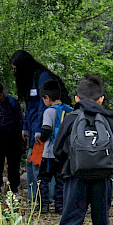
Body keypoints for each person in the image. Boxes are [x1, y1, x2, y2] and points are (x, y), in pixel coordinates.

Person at [53, 75, 113, 225]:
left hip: (75, 176)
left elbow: (57, 150)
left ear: (77, 99)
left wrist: (71, 164)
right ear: (101, 99)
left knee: (71, 216)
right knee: (101, 217)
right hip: (103, 177)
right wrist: (103, 164)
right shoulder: (107, 119)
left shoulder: (71, 118)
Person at [10, 50, 69, 203]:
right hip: (33, 128)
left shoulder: (42, 77)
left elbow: (45, 107)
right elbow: (29, 106)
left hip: (44, 131)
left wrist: (40, 131)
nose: (16, 72)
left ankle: (47, 198)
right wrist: (25, 127)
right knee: (31, 162)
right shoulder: (28, 80)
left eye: (17, 68)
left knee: (41, 164)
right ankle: (34, 198)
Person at [37, 80, 73, 214]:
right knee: (61, 180)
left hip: (50, 152)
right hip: (64, 153)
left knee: (43, 178)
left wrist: (41, 138)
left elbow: (46, 129)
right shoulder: (69, 110)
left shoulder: (49, 111)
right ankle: (60, 206)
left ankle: (43, 205)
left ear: (47, 97)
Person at [0, 80, 23, 198]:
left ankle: (13, 190)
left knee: (13, 165)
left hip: (13, 139)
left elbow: (20, 120)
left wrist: (22, 139)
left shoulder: (12, 102)